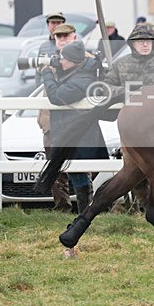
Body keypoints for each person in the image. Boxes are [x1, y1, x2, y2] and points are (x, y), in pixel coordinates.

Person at [102, 25, 154, 207]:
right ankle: (143, 204)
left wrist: (148, 93)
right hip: (132, 125)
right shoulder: (120, 64)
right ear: (132, 44)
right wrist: (128, 92)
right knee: (135, 165)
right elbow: (106, 87)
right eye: (141, 41)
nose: (145, 44)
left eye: (149, 41)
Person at [41, 40, 107, 214]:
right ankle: (86, 212)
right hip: (75, 132)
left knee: (79, 172)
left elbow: (56, 96)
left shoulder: (82, 80)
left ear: (73, 61)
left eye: (63, 58)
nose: (60, 61)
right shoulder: (79, 73)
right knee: (76, 172)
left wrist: (47, 73)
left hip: (78, 134)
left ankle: (86, 212)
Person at [37, 12, 66, 84]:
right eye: (53, 23)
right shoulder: (43, 46)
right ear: (48, 25)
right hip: (45, 86)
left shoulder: (69, 44)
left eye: (58, 23)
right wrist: (38, 85)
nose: (56, 25)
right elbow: (38, 71)